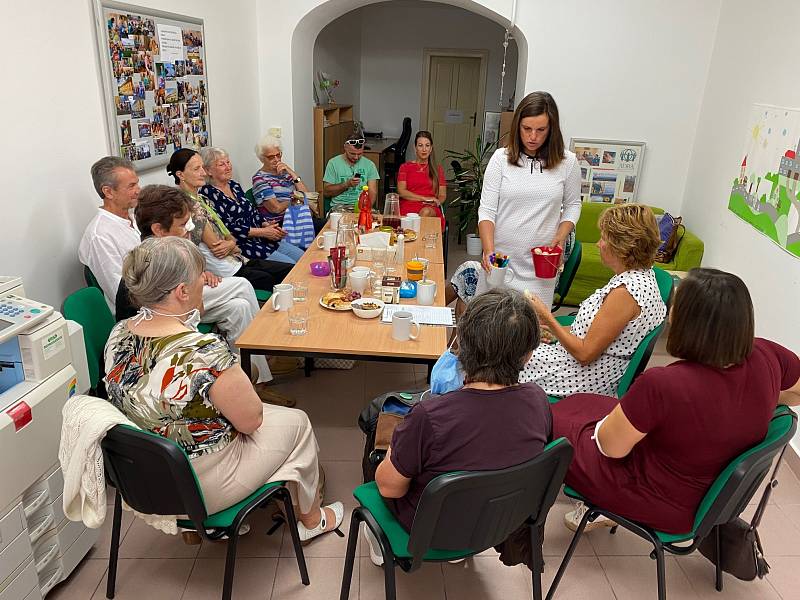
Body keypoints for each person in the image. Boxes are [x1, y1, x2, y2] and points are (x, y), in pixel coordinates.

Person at [104, 236, 343, 542]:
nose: (206, 281)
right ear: (182, 291)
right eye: (199, 276)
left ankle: (229, 519)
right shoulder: (203, 351)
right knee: (298, 423)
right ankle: (311, 519)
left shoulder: (119, 334)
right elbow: (250, 421)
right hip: (197, 485)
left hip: (145, 478)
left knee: (257, 415)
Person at [553, 268, 800, 534]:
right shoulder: (767, 355)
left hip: (659, 500)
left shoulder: (664, 384)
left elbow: (610, 449)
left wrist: (602, 428)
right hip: (706, 494)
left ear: (689, 322)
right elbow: (796, 392)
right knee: (584, 402)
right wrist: (747, 405)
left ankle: (532, 513)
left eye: (675, 307)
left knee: (552, 424)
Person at [371, 289, 551, 565]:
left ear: (462, 346)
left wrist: (397, 444)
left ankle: (379, 543)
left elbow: (389, 489)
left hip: (430, 530)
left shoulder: (429, 417)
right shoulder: (538, 400)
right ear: (528, 355)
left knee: (378, 442)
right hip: (499, 524)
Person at [122, 184, 294, 406]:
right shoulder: (154, 257)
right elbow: (175, 296)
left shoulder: (164, 249)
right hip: (157, 316)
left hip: (177, 303)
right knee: (241, 285)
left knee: (239, 307)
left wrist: (201, 274)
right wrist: (199, 278)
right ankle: (265, 355)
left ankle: (252, 380)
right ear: (158, 229)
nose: (187, 230)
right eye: (182, 225)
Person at [519, 204, 667, 397]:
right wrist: (550, 329)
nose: (598, 244)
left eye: (604, 238)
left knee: (504, 355)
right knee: (518, 339)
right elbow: (596, 335)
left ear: (622, 246)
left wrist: (547, 317)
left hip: (581, 377)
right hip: (588, 366)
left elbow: (584, 354)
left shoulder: (626, 293)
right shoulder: (642, 275)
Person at [476, 91, 581, 306]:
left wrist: (561, 236)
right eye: (527, 129)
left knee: (530, 332)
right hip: (499, 263)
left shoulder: (567, 162)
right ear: (518, 127)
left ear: (551, 129)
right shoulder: (500, 159)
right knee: (489, 329)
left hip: (540, 267)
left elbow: (572, 205)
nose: (533, 136)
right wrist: (488, 251)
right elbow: (486, 210)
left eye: (541, 130)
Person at [167, 148, 304, 265]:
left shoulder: (234, 185)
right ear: (209, 170)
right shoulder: (207, 193)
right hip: (247, 245)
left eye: (228, 162)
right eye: (222, 164)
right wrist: (263, 232)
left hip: (263, 238)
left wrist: (266, 224)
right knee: (291, 267)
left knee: (302, 258)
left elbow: (252, 211)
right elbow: (228, 227)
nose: (228, 167)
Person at [78, 157, 142, 313]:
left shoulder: (134, 218)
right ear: (108, 191)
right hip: (139, 312)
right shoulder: (100, 236)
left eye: (137, 183)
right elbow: (122, 295)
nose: (138, 190)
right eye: (131, 186)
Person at [397, 131, 446, 230]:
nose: (424, 149)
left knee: (425, 212)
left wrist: (436, 202)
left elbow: (442, 195)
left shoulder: (437, 169)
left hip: (429, 208)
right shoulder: (405, 167)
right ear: (415, 148)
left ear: (431, 148)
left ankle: (417, 239)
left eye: (427, 145)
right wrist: (425, 198)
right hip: (408, 204)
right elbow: (401, 192)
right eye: (420, 145)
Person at [322, 132, 379, 214]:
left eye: (359, 154)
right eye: (352, 153)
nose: (356, 157)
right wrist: (346, 184)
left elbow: (372, 192)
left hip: (362, 207)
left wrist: (366, 210)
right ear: (345, 148)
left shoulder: (369, 165)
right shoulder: (333, 163)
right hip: (339, 207)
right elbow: (327, 192)